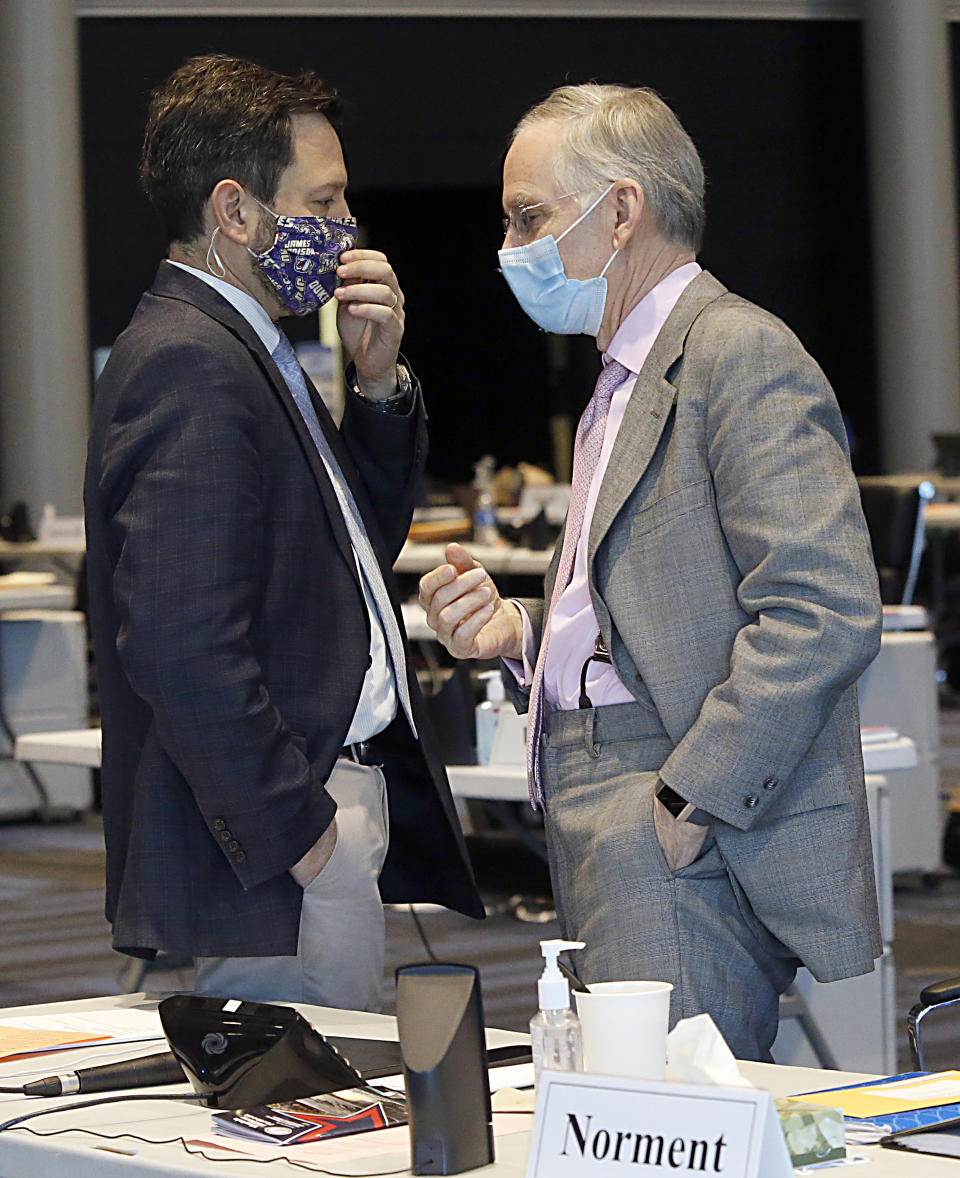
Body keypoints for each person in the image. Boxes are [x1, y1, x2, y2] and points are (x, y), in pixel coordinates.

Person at [419, 83, 882, 1060]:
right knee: (633, 1112)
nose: (510, 246)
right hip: (599, 789)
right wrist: (522, 635)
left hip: (673, 803)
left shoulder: (739, 353)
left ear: (622, 210)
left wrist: (687, 798)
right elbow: (638, 609)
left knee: (665, 1130)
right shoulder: (622, 378)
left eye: (529, 217)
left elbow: (825, 608)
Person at [84, 54, 483, 1010]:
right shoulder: (193, 362)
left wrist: (381, 386)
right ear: (236, 212)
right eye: (327, 202)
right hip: (284, 845)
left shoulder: (246, 346)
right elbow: (181, 645)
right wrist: (300, 836)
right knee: (302, 1131)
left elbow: (345, 564)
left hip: (312, 818)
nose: (347, 231)